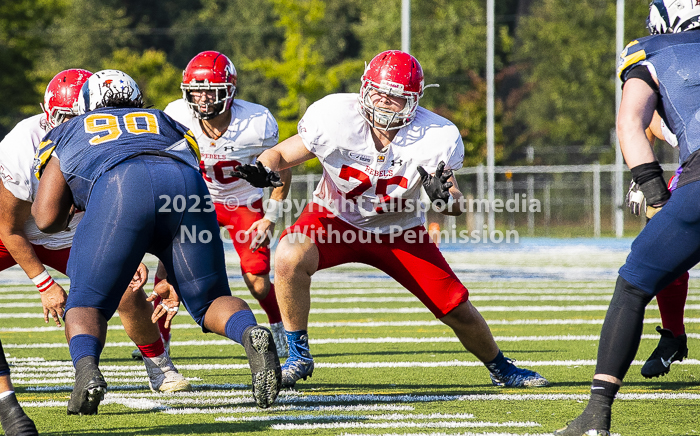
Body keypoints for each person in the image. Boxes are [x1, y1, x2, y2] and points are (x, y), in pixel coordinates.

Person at [233, 50, 549, 389]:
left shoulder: (435, 135)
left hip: (399, 230)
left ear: (413, 101)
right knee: (288, 255)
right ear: (364, 88)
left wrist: (443, 197)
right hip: (334, 218)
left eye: (396, 96)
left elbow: (455, 203)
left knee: (454, 306)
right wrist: (265, 166)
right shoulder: (335, 115)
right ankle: (298, 355)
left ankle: (501, 367)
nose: (384, 102)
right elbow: (281, 153)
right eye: (379, 92)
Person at [31, 70, 281, 414]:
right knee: (211, 300)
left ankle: (87, 372)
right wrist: (170, 265)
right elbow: (186, 174)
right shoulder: (166, 120)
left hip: (121, 187)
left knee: (86, 302)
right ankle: (250, 332)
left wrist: (75, 204)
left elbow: (45, 219)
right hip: (187, 188)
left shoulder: (70, 128)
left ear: (84, 103)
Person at [555, 1, 700, 434]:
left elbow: (630, 123)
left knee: (634, 283)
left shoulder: (652, 50)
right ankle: (673, 336)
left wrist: (651, 186)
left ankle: (597, 413)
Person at [0, 69, 190, 396]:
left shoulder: (111, 142)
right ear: (47, 114)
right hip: (18, 233)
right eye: (61, 118)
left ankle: (158, 363)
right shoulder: (22, 143)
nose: (66, 127)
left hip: (75, 235)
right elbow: (9, 228)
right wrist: (45, 284)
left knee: (128, 289)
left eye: (75, 118)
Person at [159, 50, 291, 358]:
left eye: (211, 90)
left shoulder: (256, 122)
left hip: (243, 203)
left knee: (258, 282)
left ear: (229, 91)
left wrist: (271, 216)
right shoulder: (177, 115)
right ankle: (158, 339)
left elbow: (283, 167)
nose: (202, 99)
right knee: (168, 271)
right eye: (196, 90)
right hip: (196, 201)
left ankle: (279, 324)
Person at [626, 112, 689, 379]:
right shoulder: (671, 94)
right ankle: (673, 335)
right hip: (692, 175)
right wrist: (642, 177)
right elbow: (646, 120)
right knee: (661, 251)